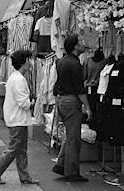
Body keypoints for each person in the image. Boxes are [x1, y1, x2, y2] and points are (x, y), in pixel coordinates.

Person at [0, 50, 39, 185]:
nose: (31, 63)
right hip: (18, 120)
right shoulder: (19, 80)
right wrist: (32, 103)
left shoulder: (15, 77)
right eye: (29, 60)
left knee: (21, 150)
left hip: (17, 119)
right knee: (14, 148)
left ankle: (25, 176)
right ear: (24, 63)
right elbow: (23, 103)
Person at [52, 34, 92, 182]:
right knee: (74, 137)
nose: (83, 43)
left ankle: (62, 164)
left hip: (62, 99)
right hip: (71, 100)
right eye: (80, 42)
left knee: (70, 135)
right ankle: (72, 171)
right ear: (75, 46)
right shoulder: (75, 64)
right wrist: (88, 107)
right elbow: (80, 89)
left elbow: (57, 85)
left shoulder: (61, 61)